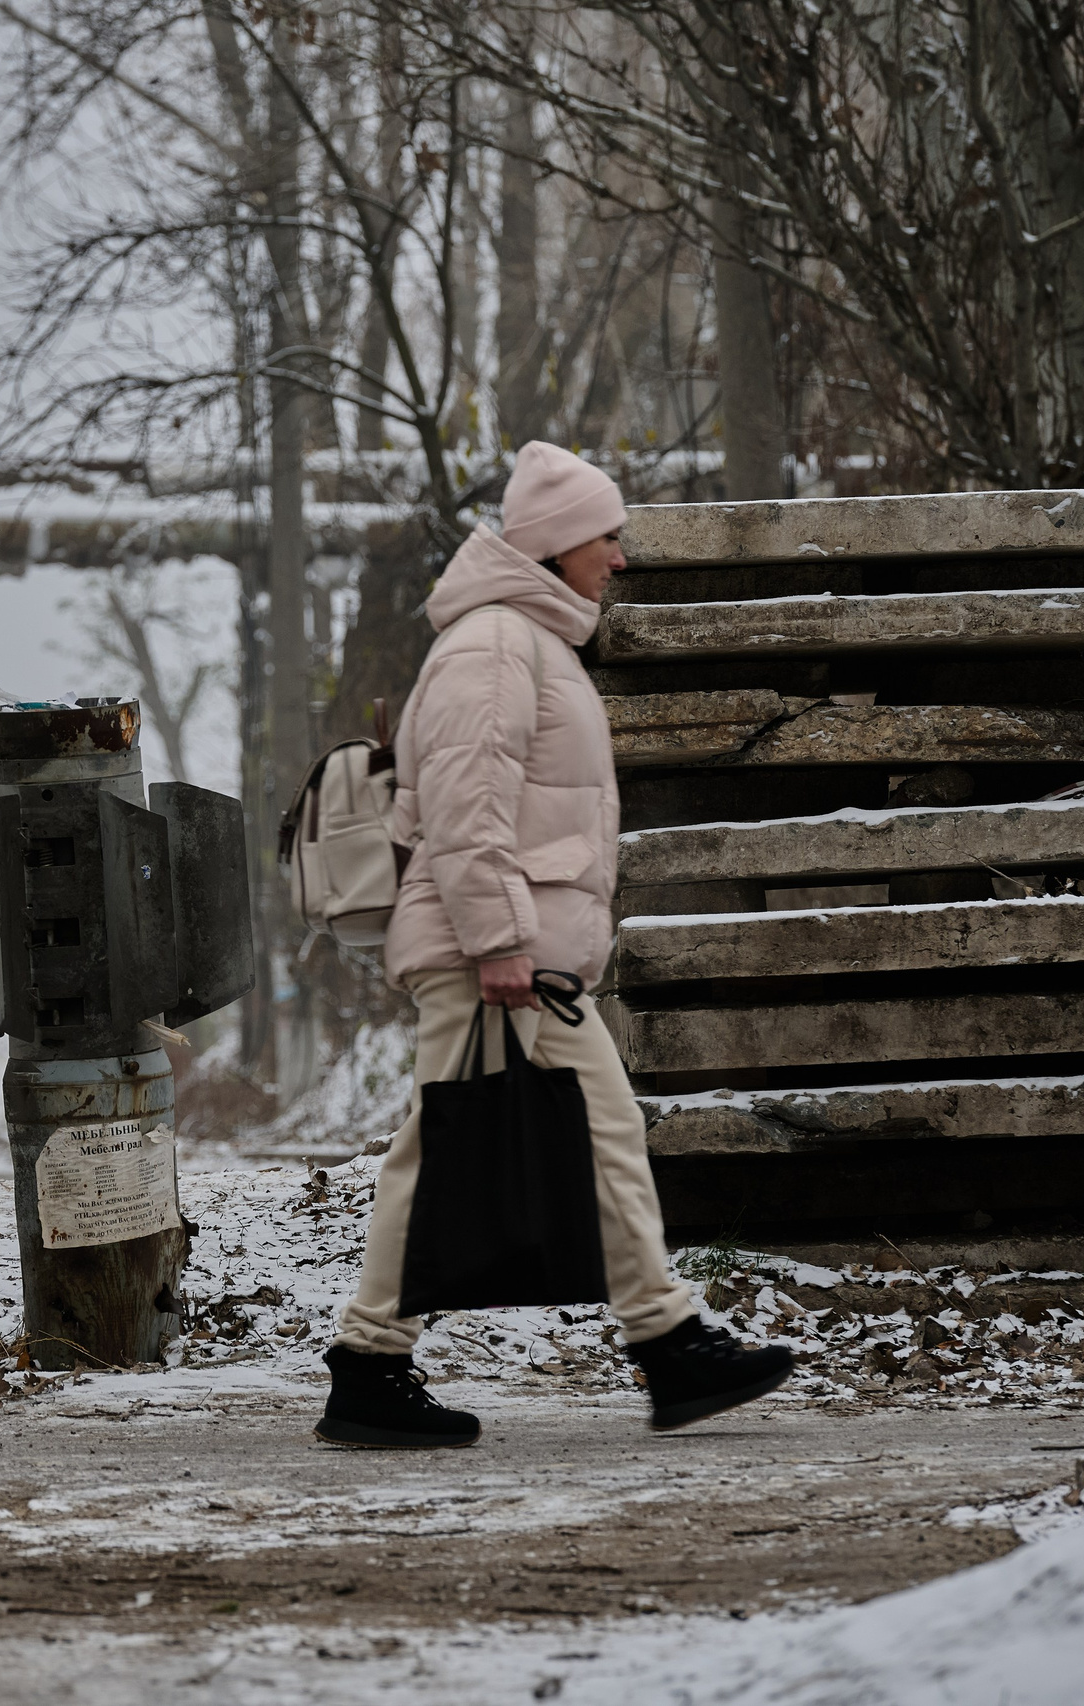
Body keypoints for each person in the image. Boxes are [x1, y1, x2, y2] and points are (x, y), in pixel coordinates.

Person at [316, 441, 794, 1450]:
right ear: (557, 543)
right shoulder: (495, 645)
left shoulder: (526, 641)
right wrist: (498, 941)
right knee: (510, 1142)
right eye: (605, 535)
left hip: (517, 953)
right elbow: (462, 804)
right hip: (496, 958)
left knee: (502, 1141)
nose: (619, 556)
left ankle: (651, 1342)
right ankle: (381, 1363)